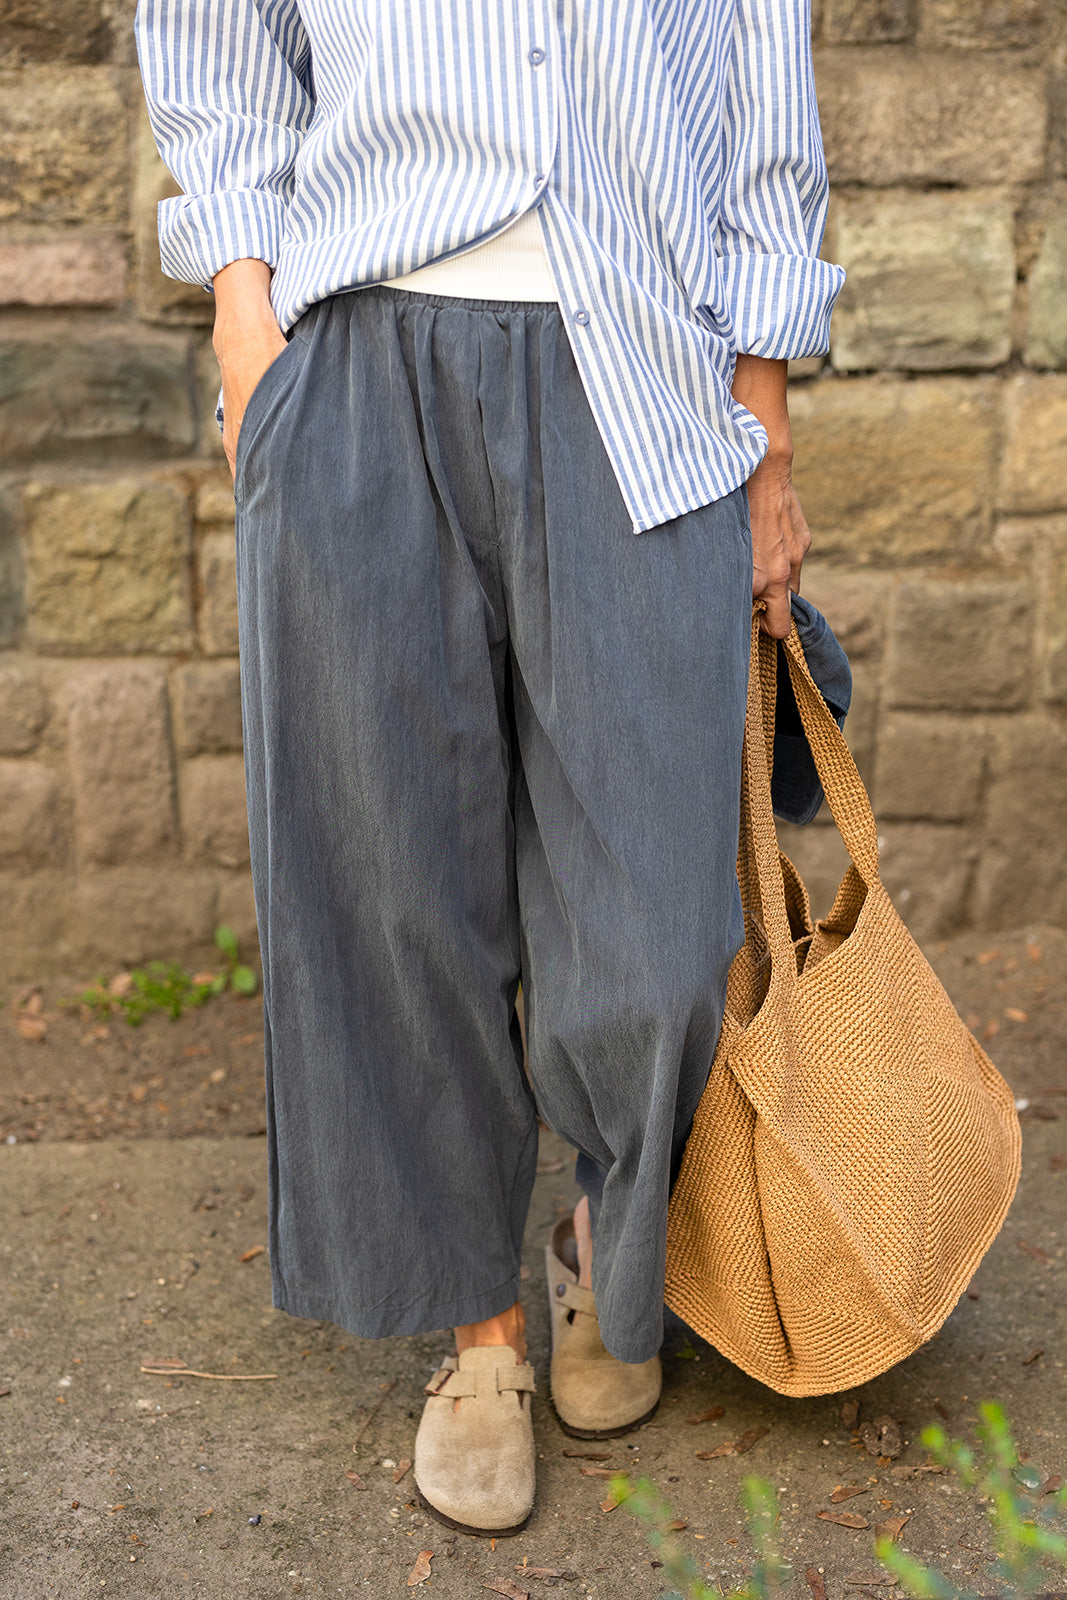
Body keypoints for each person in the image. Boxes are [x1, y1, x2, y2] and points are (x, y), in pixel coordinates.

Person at [135, 0, 844, 1538]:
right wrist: (247, 318)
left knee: (660, 934)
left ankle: (607, 1244)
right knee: (392, 893)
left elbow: (762, 86)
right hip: (361, 348)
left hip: (641, 363)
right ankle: (479, 1331)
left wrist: (768, 418)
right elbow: (217, 38)